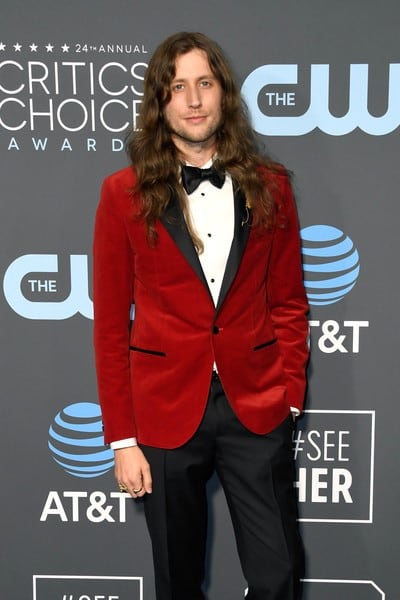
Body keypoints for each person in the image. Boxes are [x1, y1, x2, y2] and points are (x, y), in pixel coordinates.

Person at [93, 31, 309, 600]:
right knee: (178, 581)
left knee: (277, 574)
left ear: (223, 95)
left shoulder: (273, 188)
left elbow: (287, 301)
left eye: (204, 84)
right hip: (163, 412)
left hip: (256, 405)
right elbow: (112, 325)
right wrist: (122, 439)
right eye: (178, 87)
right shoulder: (123, 194)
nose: (193, 100)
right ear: (160, 103)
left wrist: (289, 391)